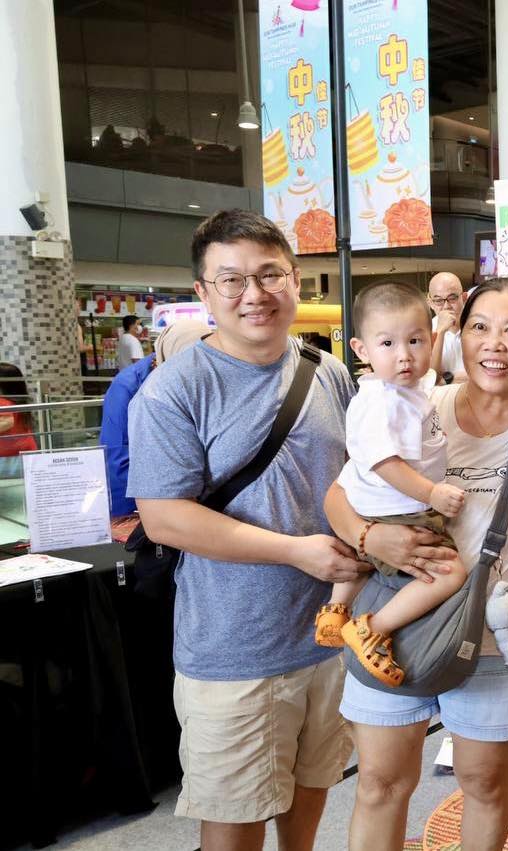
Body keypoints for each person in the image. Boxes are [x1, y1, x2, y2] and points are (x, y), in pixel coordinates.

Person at [128, 209, 362, 851]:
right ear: (202, 293)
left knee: (310, 799)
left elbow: (350, 479)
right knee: (234, 823)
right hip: (233, 649)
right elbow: (166, 517)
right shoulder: (173, 392)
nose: (253, 294)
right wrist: (298, 552)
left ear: (295, 280)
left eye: (269, 274)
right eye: (230, 280)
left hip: (328, 634)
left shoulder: (328, 371)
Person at [324, 277, 508, 850]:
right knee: (381, 783)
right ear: (456, 336)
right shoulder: (412, 403)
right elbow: (339, 495)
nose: (495, 344)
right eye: (480, 327)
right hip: (392, 629)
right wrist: (368, 538)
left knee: (484, 783)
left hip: (497, 639)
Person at [311, 282, 468, 687]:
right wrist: (432, 493)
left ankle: (336, 608)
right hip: (395, 505)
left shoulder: (402, 388)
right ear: (362, 350)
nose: (404, 356)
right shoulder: (384, 402)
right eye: (387, 344)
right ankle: (373, 629)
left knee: (360, 560)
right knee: (449, 572)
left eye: (415, 341)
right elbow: (386, 463)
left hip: (367, 501)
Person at [101, 320, 210, 516]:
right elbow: (118, 456)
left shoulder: (206, 379)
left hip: (194, 499)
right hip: (138, 504)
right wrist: (154, 508)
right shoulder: (128, 387)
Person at [428, 271, 468, 385]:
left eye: (452, 298)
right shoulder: (424, 332)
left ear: (464, 298)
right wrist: (440, 333)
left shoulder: (478, 326)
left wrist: (444, 379)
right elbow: (431, 380)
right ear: (430, 302)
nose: (446, 306)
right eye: (438, 300)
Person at [0, 363, 36, 480]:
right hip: (25, 453)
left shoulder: (2, 401)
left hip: (9, 458)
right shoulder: (18, 401)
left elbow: (7, 422)